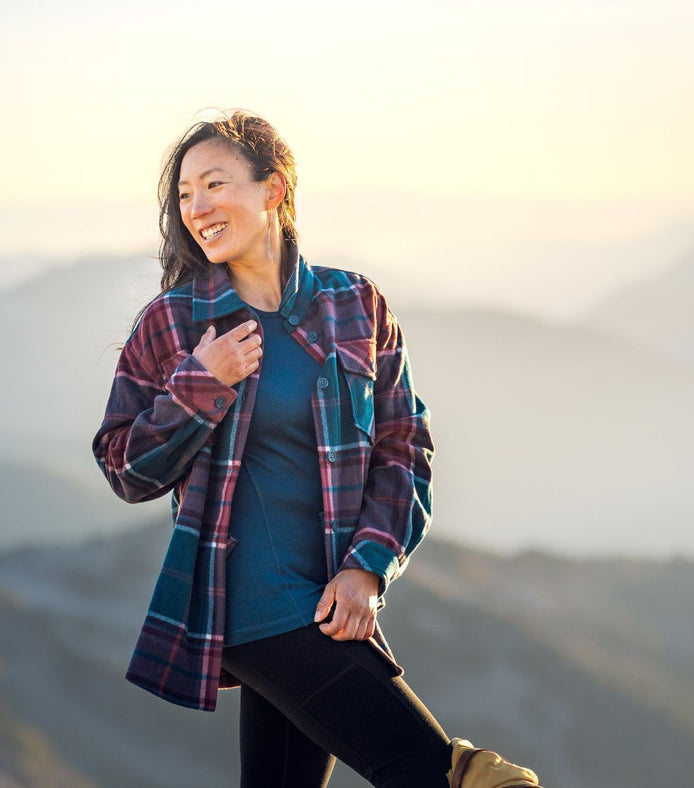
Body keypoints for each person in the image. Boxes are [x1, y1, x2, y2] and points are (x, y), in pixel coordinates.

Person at [91, 111, 453, 787]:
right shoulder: (173, 322)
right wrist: (200, 385)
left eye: (214, 184)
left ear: (273, 190)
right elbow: (123, 467)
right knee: (432, 772)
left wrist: (369, 566)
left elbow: (404, 447)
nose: (197, 208)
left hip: (330, 599)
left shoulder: (356, 304)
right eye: (184, 195)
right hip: (248, 604)